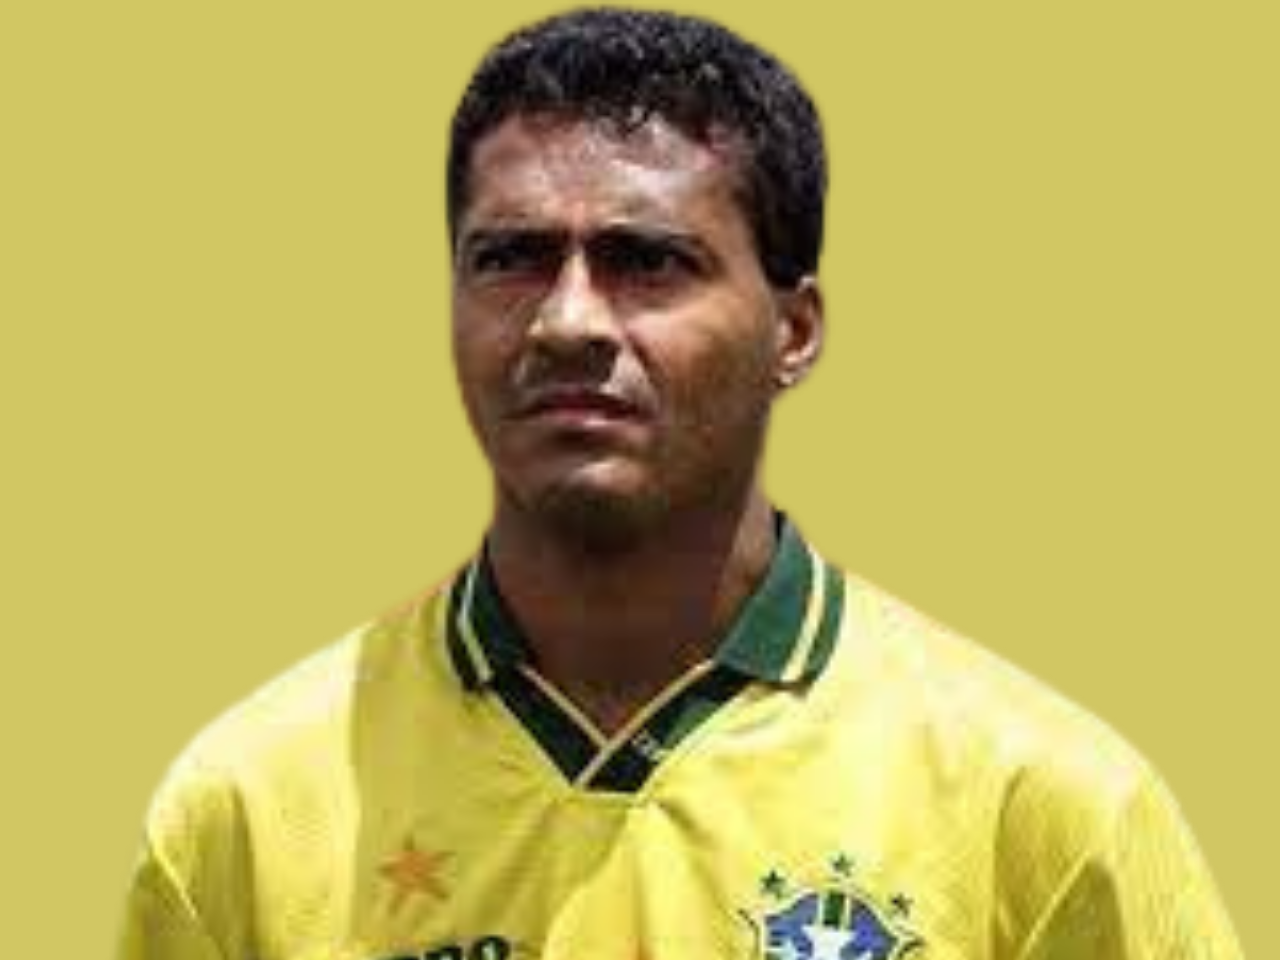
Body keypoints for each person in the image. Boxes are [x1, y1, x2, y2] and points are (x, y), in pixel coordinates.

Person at [116, 8, 1241, 960]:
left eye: (647, 261)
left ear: (793, 330)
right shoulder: (252, 809)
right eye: (509, 259)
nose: (567, 322)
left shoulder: (1038, 807)